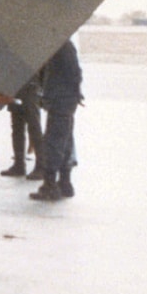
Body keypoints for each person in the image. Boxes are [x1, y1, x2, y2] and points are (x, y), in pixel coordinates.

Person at [31, 38, 82, 202]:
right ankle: (65, 183)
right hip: (62, 100)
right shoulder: (61, 46)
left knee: (54, 141)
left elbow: (75, 73)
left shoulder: (61, 46)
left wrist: (69, 94)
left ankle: (50, 185)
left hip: (61, 100)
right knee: (65, 140)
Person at [1, 76, 44, 179]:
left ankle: (41, 166)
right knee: (17, 128)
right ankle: (19, 164)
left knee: (34, 128)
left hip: (31, 89)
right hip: (17, 88)